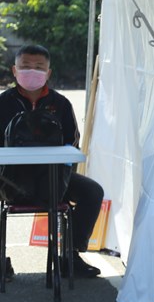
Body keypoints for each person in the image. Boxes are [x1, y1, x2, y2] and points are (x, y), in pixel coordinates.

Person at [0, 44, 104, 279]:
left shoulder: (62, 105)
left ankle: (70, 255)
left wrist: (63, 174)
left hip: (53, 180)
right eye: (25, 66)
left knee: (92, 192)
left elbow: (72, 145)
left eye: (39, 67)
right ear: (14, 70)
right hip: (9, 180)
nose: (32, 71)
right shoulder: (3, 103)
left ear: (48, 73)